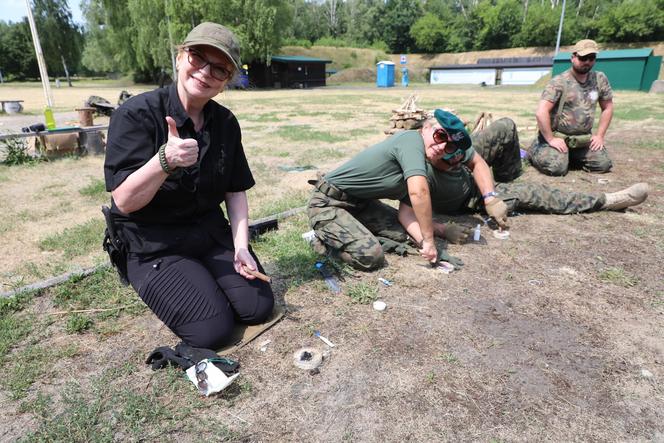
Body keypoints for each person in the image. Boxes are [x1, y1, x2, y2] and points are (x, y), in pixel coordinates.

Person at [103, 22, 274, 349]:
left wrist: (240, 246)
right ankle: (178, 280)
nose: (206, 72)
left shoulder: (225, 123)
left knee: (257, 307)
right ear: (180, 57)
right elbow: (124, 201)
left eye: (220, 69)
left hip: (207, 232)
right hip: (152, 241)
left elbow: (235, 191)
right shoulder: (135, 115)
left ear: (225, 82)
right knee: (214, 332)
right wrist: (163, 161)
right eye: (198, 57)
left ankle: (204, 273)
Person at [397, 115, 649, 246]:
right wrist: (440, 231)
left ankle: (512, 172)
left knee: (505, 126)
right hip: (467, 199)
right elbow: (410, 211)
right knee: (534, 193)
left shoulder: (449, 144)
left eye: (448, 142)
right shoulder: (416, 169)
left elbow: (476, 162)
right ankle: (606, 200)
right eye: (438, 142)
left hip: (476, 187)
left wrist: (491, 196)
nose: (444, 149)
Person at [306, 110, 472, 271]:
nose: (442, 146)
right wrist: (429, 240)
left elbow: (406, 215)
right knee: (370, 256)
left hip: (360, 205)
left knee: (403, 235)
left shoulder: (422, 169)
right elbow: (418, 194)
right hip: (328, 203)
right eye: (441, 136)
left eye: (449, 146)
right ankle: (321, 240)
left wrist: (428, 246)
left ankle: (352, 230)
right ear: (426, 128)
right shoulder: (411, 140)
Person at [529, 39, 614, 176]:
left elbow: (608, 107)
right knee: (556, 168)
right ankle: (535, 149)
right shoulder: (559, 82)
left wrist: (599, 136)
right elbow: (541, 112)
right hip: (558, 138)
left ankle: (568, 157)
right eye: (583, 58)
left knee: (603, 164)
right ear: (573, 58)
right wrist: (550, 139)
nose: (587, 62)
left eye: (591, 58)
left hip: (582, 141)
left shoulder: (599, 79)